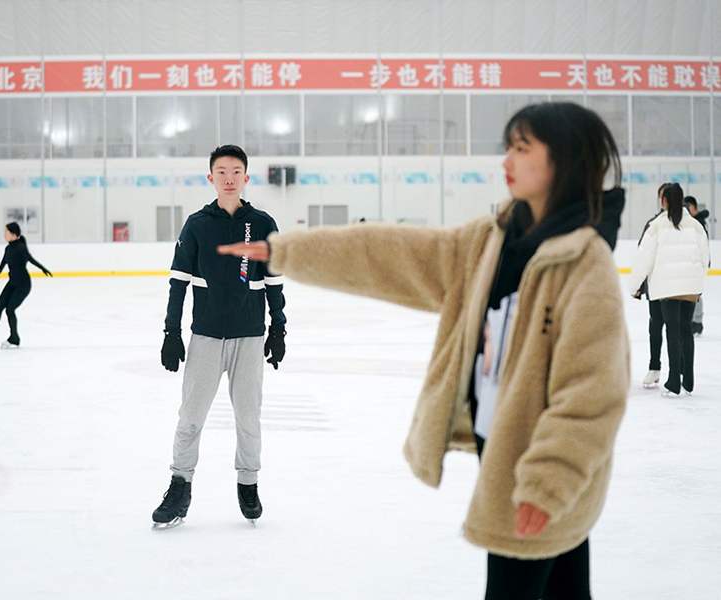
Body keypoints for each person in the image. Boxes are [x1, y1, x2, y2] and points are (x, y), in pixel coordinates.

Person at [220, 102, 629, 599]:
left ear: (564, 161)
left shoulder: (585, 265)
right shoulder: (491, 241)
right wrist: (288, 252)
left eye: (522, 149)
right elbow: (390, 254)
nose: (507, 160)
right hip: (503, 446)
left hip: (535, 466)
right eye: (508, 147)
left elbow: (591, 393)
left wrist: (548, 483)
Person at [151, 145, 287, 529]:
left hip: (249, 337)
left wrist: (278, 328)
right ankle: (180, 486)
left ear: (246, 177)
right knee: (190, 418)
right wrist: (170, 333)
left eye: (236, 171)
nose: (229, 177)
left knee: (249, 418)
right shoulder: (197, 224)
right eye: (221, 171)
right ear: (210, 177)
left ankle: (248, 483)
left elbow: (274, 282)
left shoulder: (262, 224)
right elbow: (178, 282)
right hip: (206, 337)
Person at [630, 184, 710, 396]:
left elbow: (643, 259)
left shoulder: (656, 226)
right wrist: (698, 281)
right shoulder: (695, 225)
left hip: (666, 287)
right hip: (690, 287)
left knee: (672, 330)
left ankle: (674, 380)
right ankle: (689, 379)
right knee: (686, 329)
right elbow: (705, 258)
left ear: (664, 200)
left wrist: (634, 285)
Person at [0, 222, 52, 349]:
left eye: (6, 232)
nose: (4, 234)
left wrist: (43, 269)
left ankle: (14, 338)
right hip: (12, 283)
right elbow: (4, 260)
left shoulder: (21, 248)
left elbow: (30, 259)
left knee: (9, 309)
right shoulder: (8, 248)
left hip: (23, 285)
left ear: (13, 234)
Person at [635, 183, 672, 387]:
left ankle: (679, 370)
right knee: (656, 327)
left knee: (675, 330)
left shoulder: (684, 224)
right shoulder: (653, 223)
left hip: (674, 286)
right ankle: (654, 367)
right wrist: (640, 285)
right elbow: (643, 255)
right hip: (656, 286)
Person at [684, 195, 710, 336]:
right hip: (690, 262)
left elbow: (702, 246)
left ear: (694, 208)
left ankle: (697, 322)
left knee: (695, 293)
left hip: (697, 262)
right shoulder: (692, 222)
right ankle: (693, 321)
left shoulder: (698, 223)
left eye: (688, 207)